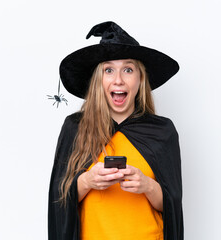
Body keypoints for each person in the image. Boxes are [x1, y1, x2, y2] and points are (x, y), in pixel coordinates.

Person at [48, 21, 183, 240]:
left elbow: (172, 205)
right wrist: (87, 181)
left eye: (128, 70)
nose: (118, 80)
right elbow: (58, 200)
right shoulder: (75, 128)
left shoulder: (162, 131)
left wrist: (147, 185)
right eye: (108, 70)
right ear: (97, 80)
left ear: (140, 79)